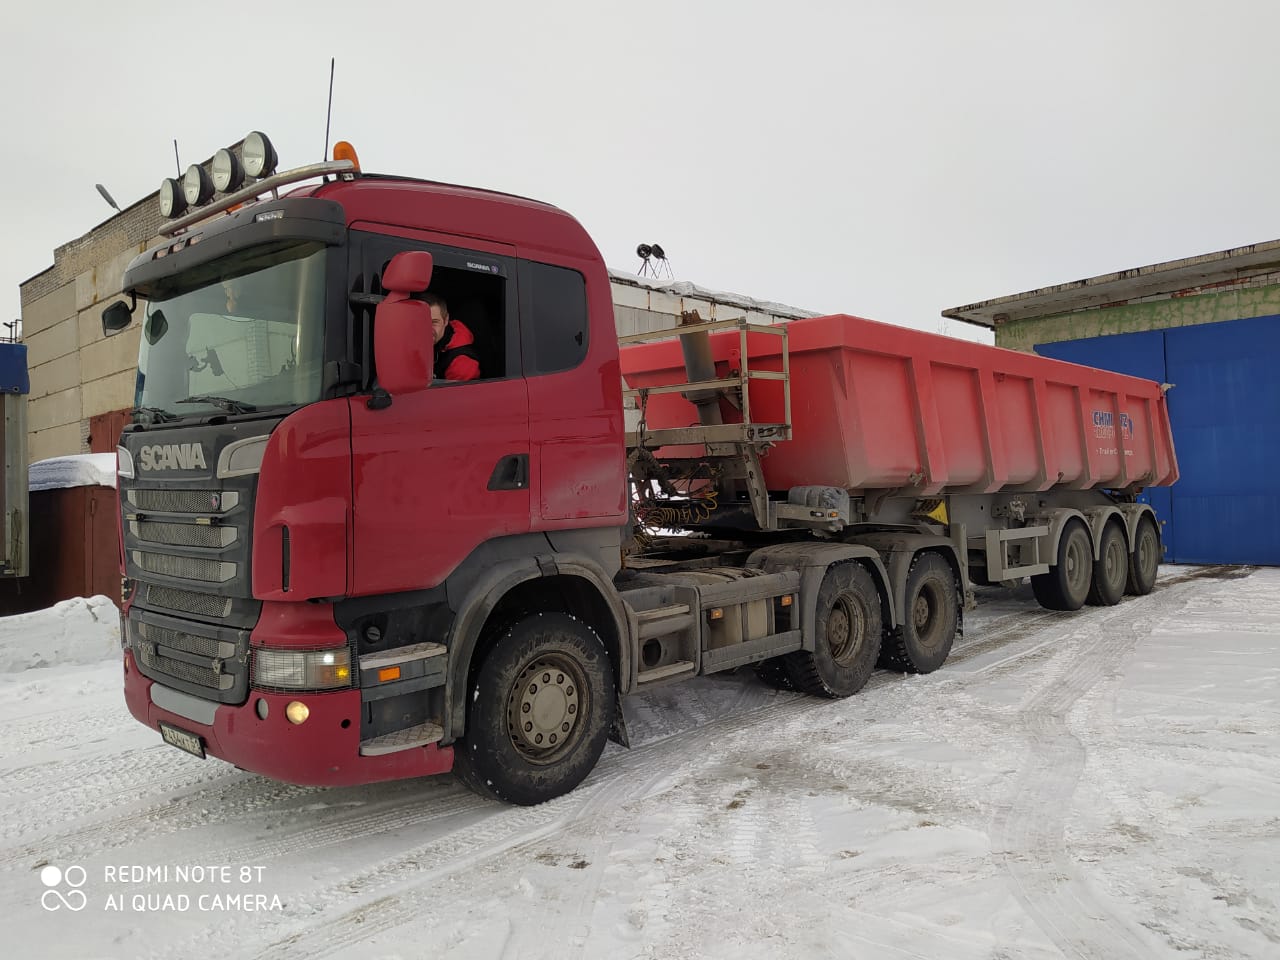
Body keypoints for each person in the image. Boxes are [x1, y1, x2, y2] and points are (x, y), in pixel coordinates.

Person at [420, 292, 481, 382]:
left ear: (446, 320)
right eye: (421, 322)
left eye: (434, 322)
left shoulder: (461, 364)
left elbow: (454, 396)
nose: (427, 329)